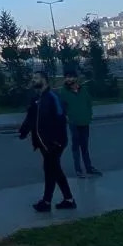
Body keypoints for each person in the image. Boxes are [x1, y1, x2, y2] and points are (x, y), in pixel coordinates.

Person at [18, 73, 76, 213]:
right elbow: (31, 117)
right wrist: (23, 131)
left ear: (44, 80)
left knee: (52, 170)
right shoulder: (37, 98)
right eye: (32, 78)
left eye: (36, 78)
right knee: (53, 170)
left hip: (54, 142)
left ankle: (48, 201)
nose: (33, 80)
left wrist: (56, 140)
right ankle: (65, 200)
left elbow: (61, 118)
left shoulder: (52, 97)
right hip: (43, 143)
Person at [60, 72, 101, 178]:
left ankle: (89, 168)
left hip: (84, 122)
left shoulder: (83, 90)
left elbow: (88, 103)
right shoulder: (63, 92)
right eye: (67, 78)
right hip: (74, 123)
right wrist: (67, 117)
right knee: (76, 147)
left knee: (85, 146)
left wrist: (89, 116)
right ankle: (78, 169)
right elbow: (61, 108)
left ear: (76, 78)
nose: (69, 79)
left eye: (71, 77)